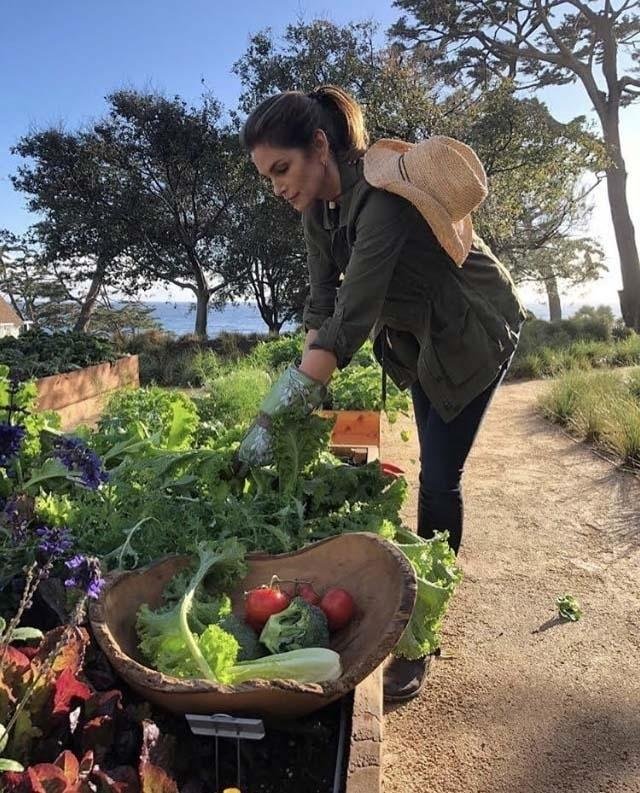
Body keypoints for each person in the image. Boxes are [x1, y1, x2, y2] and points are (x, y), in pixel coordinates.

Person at [236, 85, 527, 701]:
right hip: (419, 341)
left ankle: (424, 634)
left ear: (320, 146)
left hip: (472, 330)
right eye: (267, 177)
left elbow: (353, 317)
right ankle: (424, 590)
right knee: (428, 460)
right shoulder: (319, 211)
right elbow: (321, 303)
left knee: (440, 477)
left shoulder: (382, 203)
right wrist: (298, 386)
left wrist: (274, 412)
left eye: (282, 169)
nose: (278, 186)